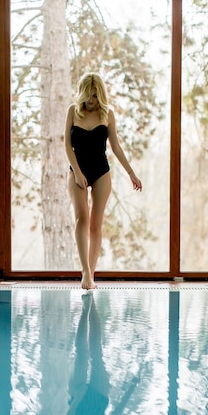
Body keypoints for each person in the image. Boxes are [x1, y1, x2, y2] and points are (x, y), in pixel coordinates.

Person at [65, 72, 142, 290]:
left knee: (96, 225)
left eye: (95, 96)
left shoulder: (107, 114)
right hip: (77, 171)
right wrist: (78, 174)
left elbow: (116, 148)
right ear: (82, 94)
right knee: (82, 218)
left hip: (101, 172)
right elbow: (67, 147)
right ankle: (85, 272)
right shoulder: (72, 111)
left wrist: (131, 173)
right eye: (88, 96)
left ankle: (91, 274)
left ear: (100, 95)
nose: (91, 101)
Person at [64, 293, 140, 415]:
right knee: (96, 352)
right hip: (99, 398)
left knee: (81, 352)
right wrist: (130, 391)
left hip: (78, 400)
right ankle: (92, 306)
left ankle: (85, 310)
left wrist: (76, 400)